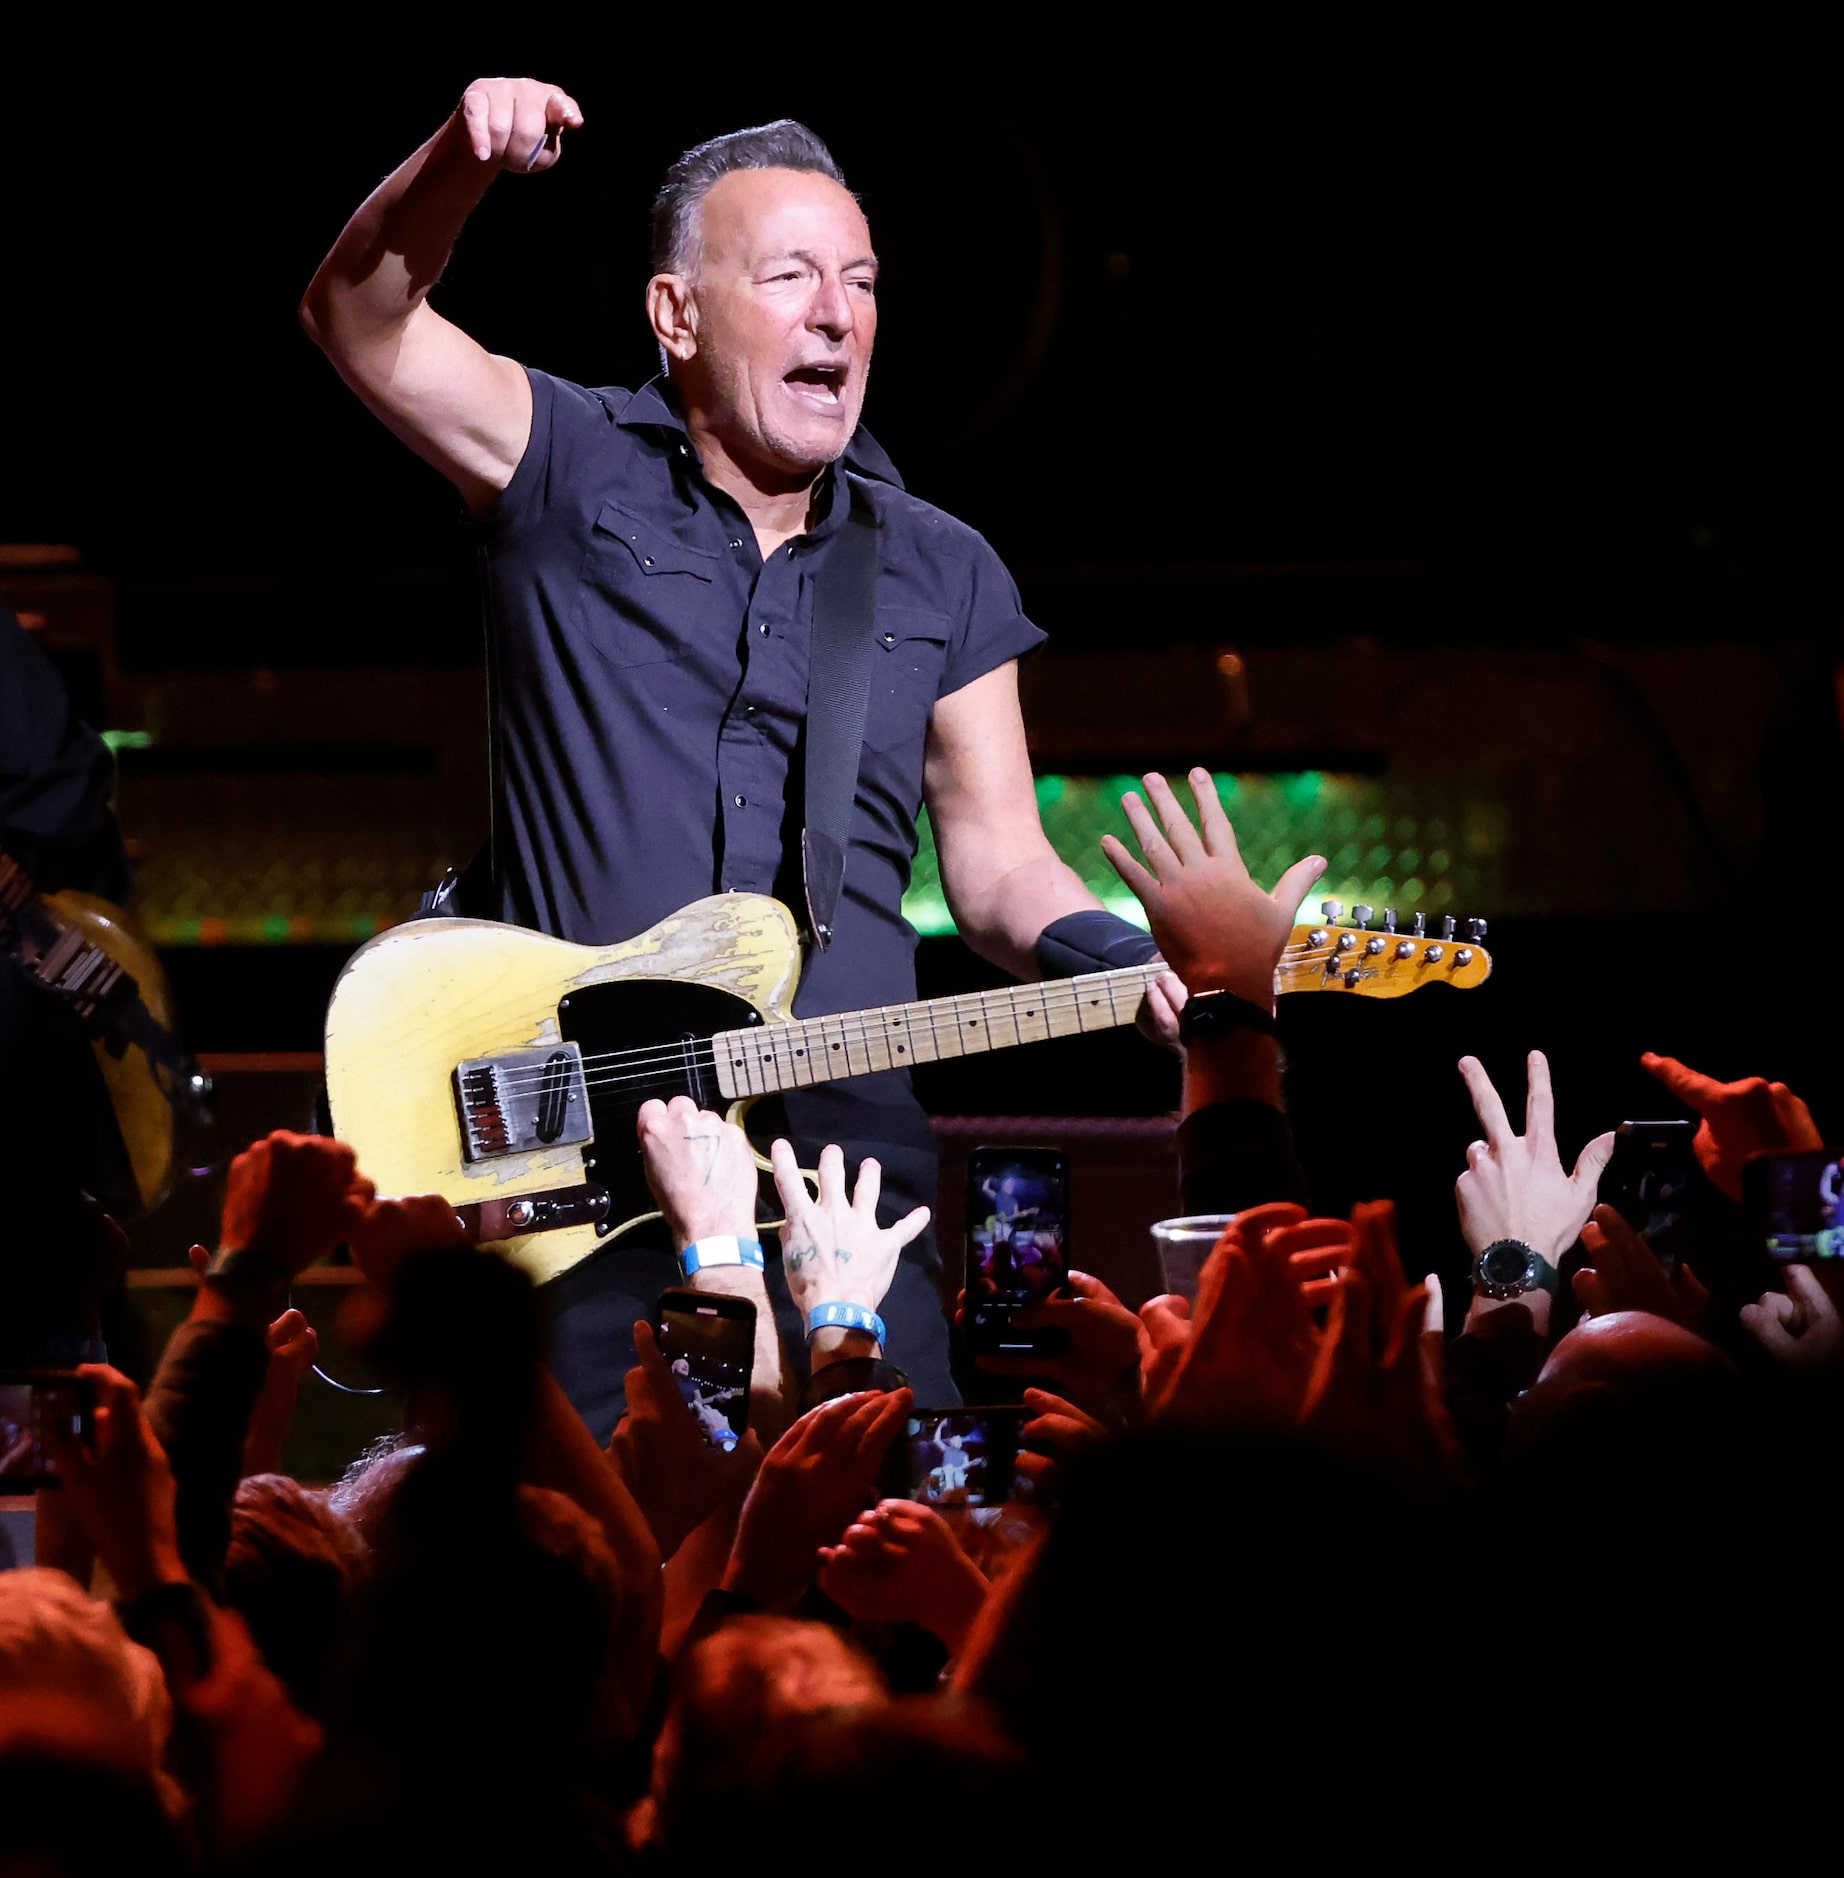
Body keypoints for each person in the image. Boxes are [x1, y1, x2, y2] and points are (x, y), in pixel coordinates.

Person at [300, 79, 1181, 1424]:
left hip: (846, 1167)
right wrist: (456, 161)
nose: (840, 312)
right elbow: (357, 316)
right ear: (678, 314)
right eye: (790, 276)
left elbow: (1002, 874)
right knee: (614, 1559)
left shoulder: (942, 568)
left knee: (882, 1528)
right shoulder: (569, 462)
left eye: (862, 280)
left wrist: (1145, 956)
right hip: (587, 1160)